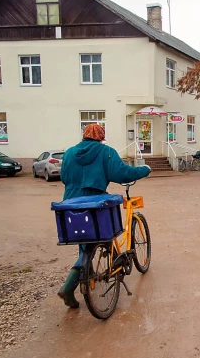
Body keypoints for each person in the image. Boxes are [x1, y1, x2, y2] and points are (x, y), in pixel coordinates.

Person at [58, 124, 151, 308]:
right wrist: (144, 169)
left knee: (82, 239)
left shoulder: (69, 153)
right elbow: (123, 174)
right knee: (99, 236)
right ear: (101, 137)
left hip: (70, 203)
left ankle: (88, 276)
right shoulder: (106, 152)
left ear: (84, 135)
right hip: (95, 203)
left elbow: (64, 177)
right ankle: (69, 286)